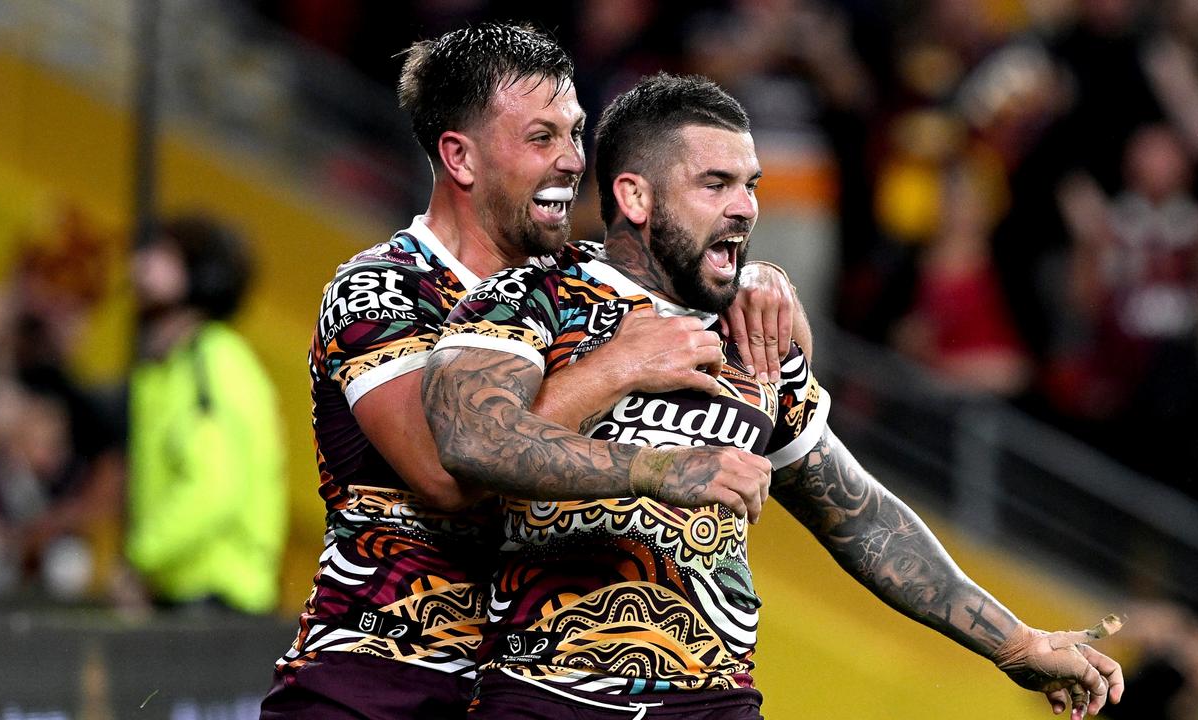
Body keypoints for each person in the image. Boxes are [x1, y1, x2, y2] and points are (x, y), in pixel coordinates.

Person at [422, 73, 1126, 720]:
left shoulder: (752, 331)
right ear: (635, 196)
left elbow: (859, 516)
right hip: (545, 695)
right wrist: (655, 448)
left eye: (750, 184)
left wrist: (1014, 642)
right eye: (716, 184)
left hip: (715, 701)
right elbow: (471, 441)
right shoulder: (527, 299)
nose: (746, 208)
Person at [262, 23, 804, 720]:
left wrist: (755, 278)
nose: (574, 161)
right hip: (378, 681)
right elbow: (448, 474)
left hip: (524, 693)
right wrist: (616, 366)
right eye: (542, 138)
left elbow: (765, 341)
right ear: (461, 157)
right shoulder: (384, 289)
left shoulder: (581, 289)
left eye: (576, 135)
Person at [122, 215, 287, 615]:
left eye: (163, 255)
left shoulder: (210, 361)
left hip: (215, 597)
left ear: (201, 275)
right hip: (190, 593)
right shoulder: (176, 365)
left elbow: (214, 488)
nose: (140, 265)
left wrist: (139, 559)